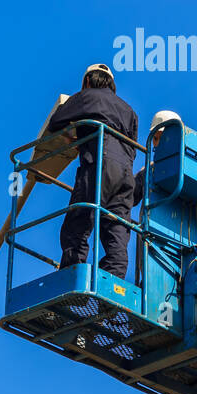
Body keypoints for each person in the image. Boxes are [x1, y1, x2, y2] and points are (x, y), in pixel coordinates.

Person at [46, 63, 139, 279]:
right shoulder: (130, 111)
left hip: (99, 165)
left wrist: (74, 136)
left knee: (78, 222)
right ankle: (113, 285)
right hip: (126, 174)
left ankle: (71, 275)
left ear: (88, 81)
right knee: (116, 230)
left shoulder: (88, 96)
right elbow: (133, 147)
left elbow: (55, 121)